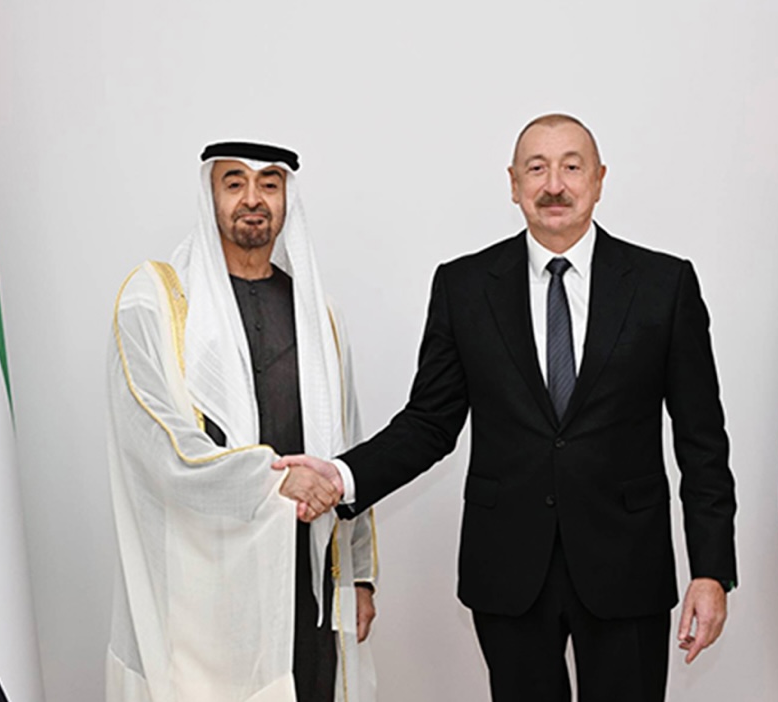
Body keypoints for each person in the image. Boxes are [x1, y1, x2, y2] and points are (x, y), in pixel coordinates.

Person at [276, 115, 736, 701]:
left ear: (599, 180)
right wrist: (340, 477)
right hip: (509, 571)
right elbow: (429, 423)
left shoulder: (664, 285)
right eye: (536, 168)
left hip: (628, 567)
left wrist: (711, 570)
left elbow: (702, 441)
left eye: (571, 167)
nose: (554, 185)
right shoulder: (464, 287)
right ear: (514, 184)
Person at [106, 141, 378, 702]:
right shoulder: (157, 300)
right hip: (201, 576)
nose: (253, 198)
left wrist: (360, 576)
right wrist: (271, 481)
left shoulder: (319, 313)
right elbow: (157, 442)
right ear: (210, 196)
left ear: (286, 200)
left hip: (306, 572)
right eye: (234, 183)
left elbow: (347, 444)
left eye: (269, 184)